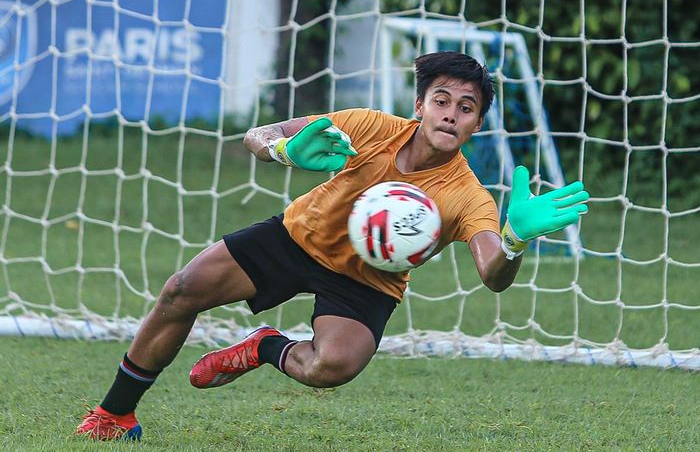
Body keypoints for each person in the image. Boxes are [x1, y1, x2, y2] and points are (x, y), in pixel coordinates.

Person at [76, 51, 589, 440]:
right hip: (299, 237)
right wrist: (281, 149)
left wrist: (515, 240)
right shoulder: (370, 126)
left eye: (467, 107)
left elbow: (492, 274)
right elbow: (261, 133)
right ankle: (114, 415)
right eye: (441, 101)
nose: (451, 114)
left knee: (330, 368)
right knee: (181, 289)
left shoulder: (467, 195)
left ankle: (264, 346)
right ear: (420, 106)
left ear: (478, 124)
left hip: (368, 280)